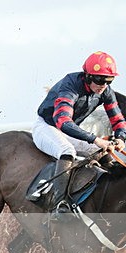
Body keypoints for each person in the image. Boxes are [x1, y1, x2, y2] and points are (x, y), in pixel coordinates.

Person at [33, 51, 126, 219]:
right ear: (88, 76)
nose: (103, 85)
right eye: (99, 80)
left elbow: (118, 119)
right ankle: (59, 203)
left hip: (69, 130)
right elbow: (63, 122)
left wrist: (120, 138)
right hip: (47, 127)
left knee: (105, 153)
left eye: (108, 80)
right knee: (67, 151)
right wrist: (96, 139)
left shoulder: (105, 91)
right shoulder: (71, 85)